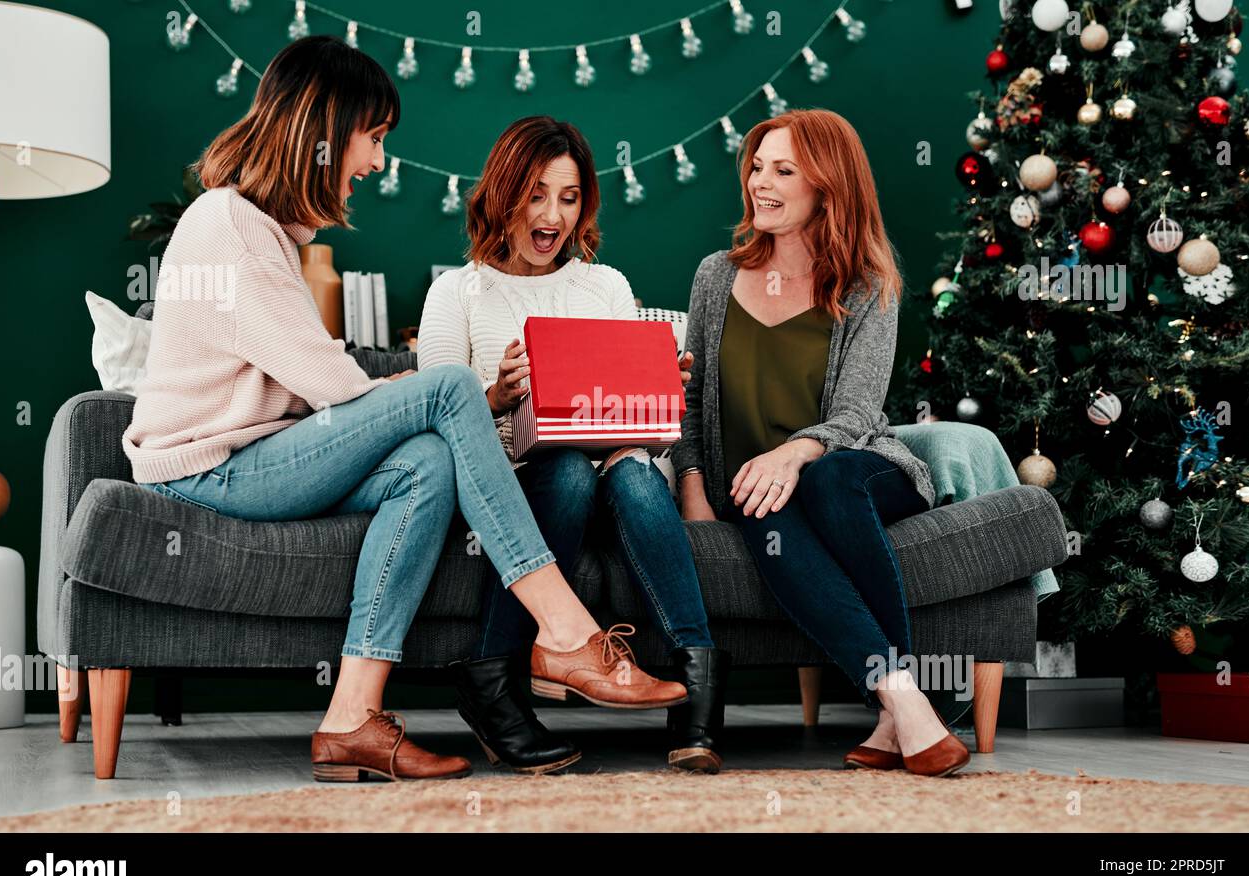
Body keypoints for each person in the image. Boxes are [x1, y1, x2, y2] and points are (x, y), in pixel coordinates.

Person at [122, 38, 685, 784]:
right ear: (326, 131)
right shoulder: (229, 226)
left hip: (258, 454)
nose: (379, 162)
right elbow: (334, 387)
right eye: (375, 138)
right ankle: (564, 627)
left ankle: (351, 715)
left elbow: (319, 391)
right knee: (448, 387)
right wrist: (438, 397)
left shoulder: (259, 229)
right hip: (209, 469)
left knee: (423, 465)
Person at [418, 116, 728, 774]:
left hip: (611, 467)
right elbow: (432, 422)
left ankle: (696, 694)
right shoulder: (457, 291)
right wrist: (496, 395)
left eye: (568, 197)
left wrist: (654, 390)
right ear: (502, 193)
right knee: (565, 469)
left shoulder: (605, 286)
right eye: (534, 193)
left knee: (637, 476)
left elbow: (630, 424)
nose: (552, 215)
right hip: (520, 481)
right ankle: (495, 681)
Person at [672, 109, 970, 778]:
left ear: (827, 186)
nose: (760, 182)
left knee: (825, 479)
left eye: (783, 170)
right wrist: (693, 486)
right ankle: (904, 707)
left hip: (858, 468)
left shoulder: (869, 281)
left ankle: (897, 705)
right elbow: (689, 402)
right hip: (758, 488)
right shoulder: (716, 276)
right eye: (756, 166)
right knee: (763, 499)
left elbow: (858, 412)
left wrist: (796, 449)